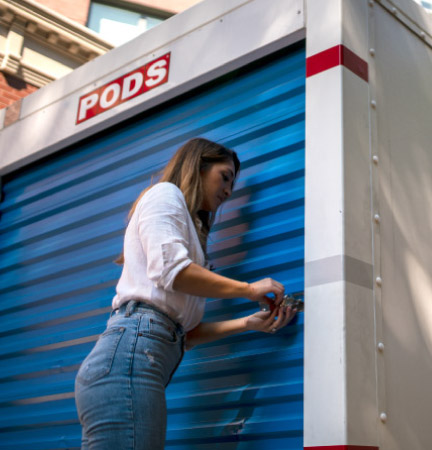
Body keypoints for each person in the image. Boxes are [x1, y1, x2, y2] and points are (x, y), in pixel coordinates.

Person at [74, 138, 297, 449]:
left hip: (134, 361)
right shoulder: (165, 195)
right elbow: (173, 272)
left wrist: (248, 324)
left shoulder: (188, 227)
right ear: (199, 165)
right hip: (128, 361)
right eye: (226, 176)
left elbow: (186, 334)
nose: (229, 190)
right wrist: (248, 289)